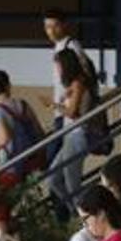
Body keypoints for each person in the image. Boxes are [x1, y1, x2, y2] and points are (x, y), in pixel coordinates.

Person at [48, 48, 95, 217]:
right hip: (70, 135)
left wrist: (54, 105)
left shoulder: (78, 83)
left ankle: (84, 217)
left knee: (72, 183)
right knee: (53, 177)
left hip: (77, 135)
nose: (58, 70)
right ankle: (77, 213)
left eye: (59, 66)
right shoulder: (74, 84)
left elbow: (72, 112)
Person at [0, 70, 46, 189]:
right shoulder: (23, 105)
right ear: (8, 85)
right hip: (31, 160)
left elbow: (3, 139)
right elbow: (39, 132)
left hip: (11, 164)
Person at [39, 8, 87, 164]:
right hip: (62, 111)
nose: (51, 31)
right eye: (47, 27)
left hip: (68, 111)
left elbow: (83, 75)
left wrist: (68, 94)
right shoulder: (58, 47)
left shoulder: (72, 46)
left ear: (65, 25)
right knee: (55, 163)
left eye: (55, 26)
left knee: (54, 161)